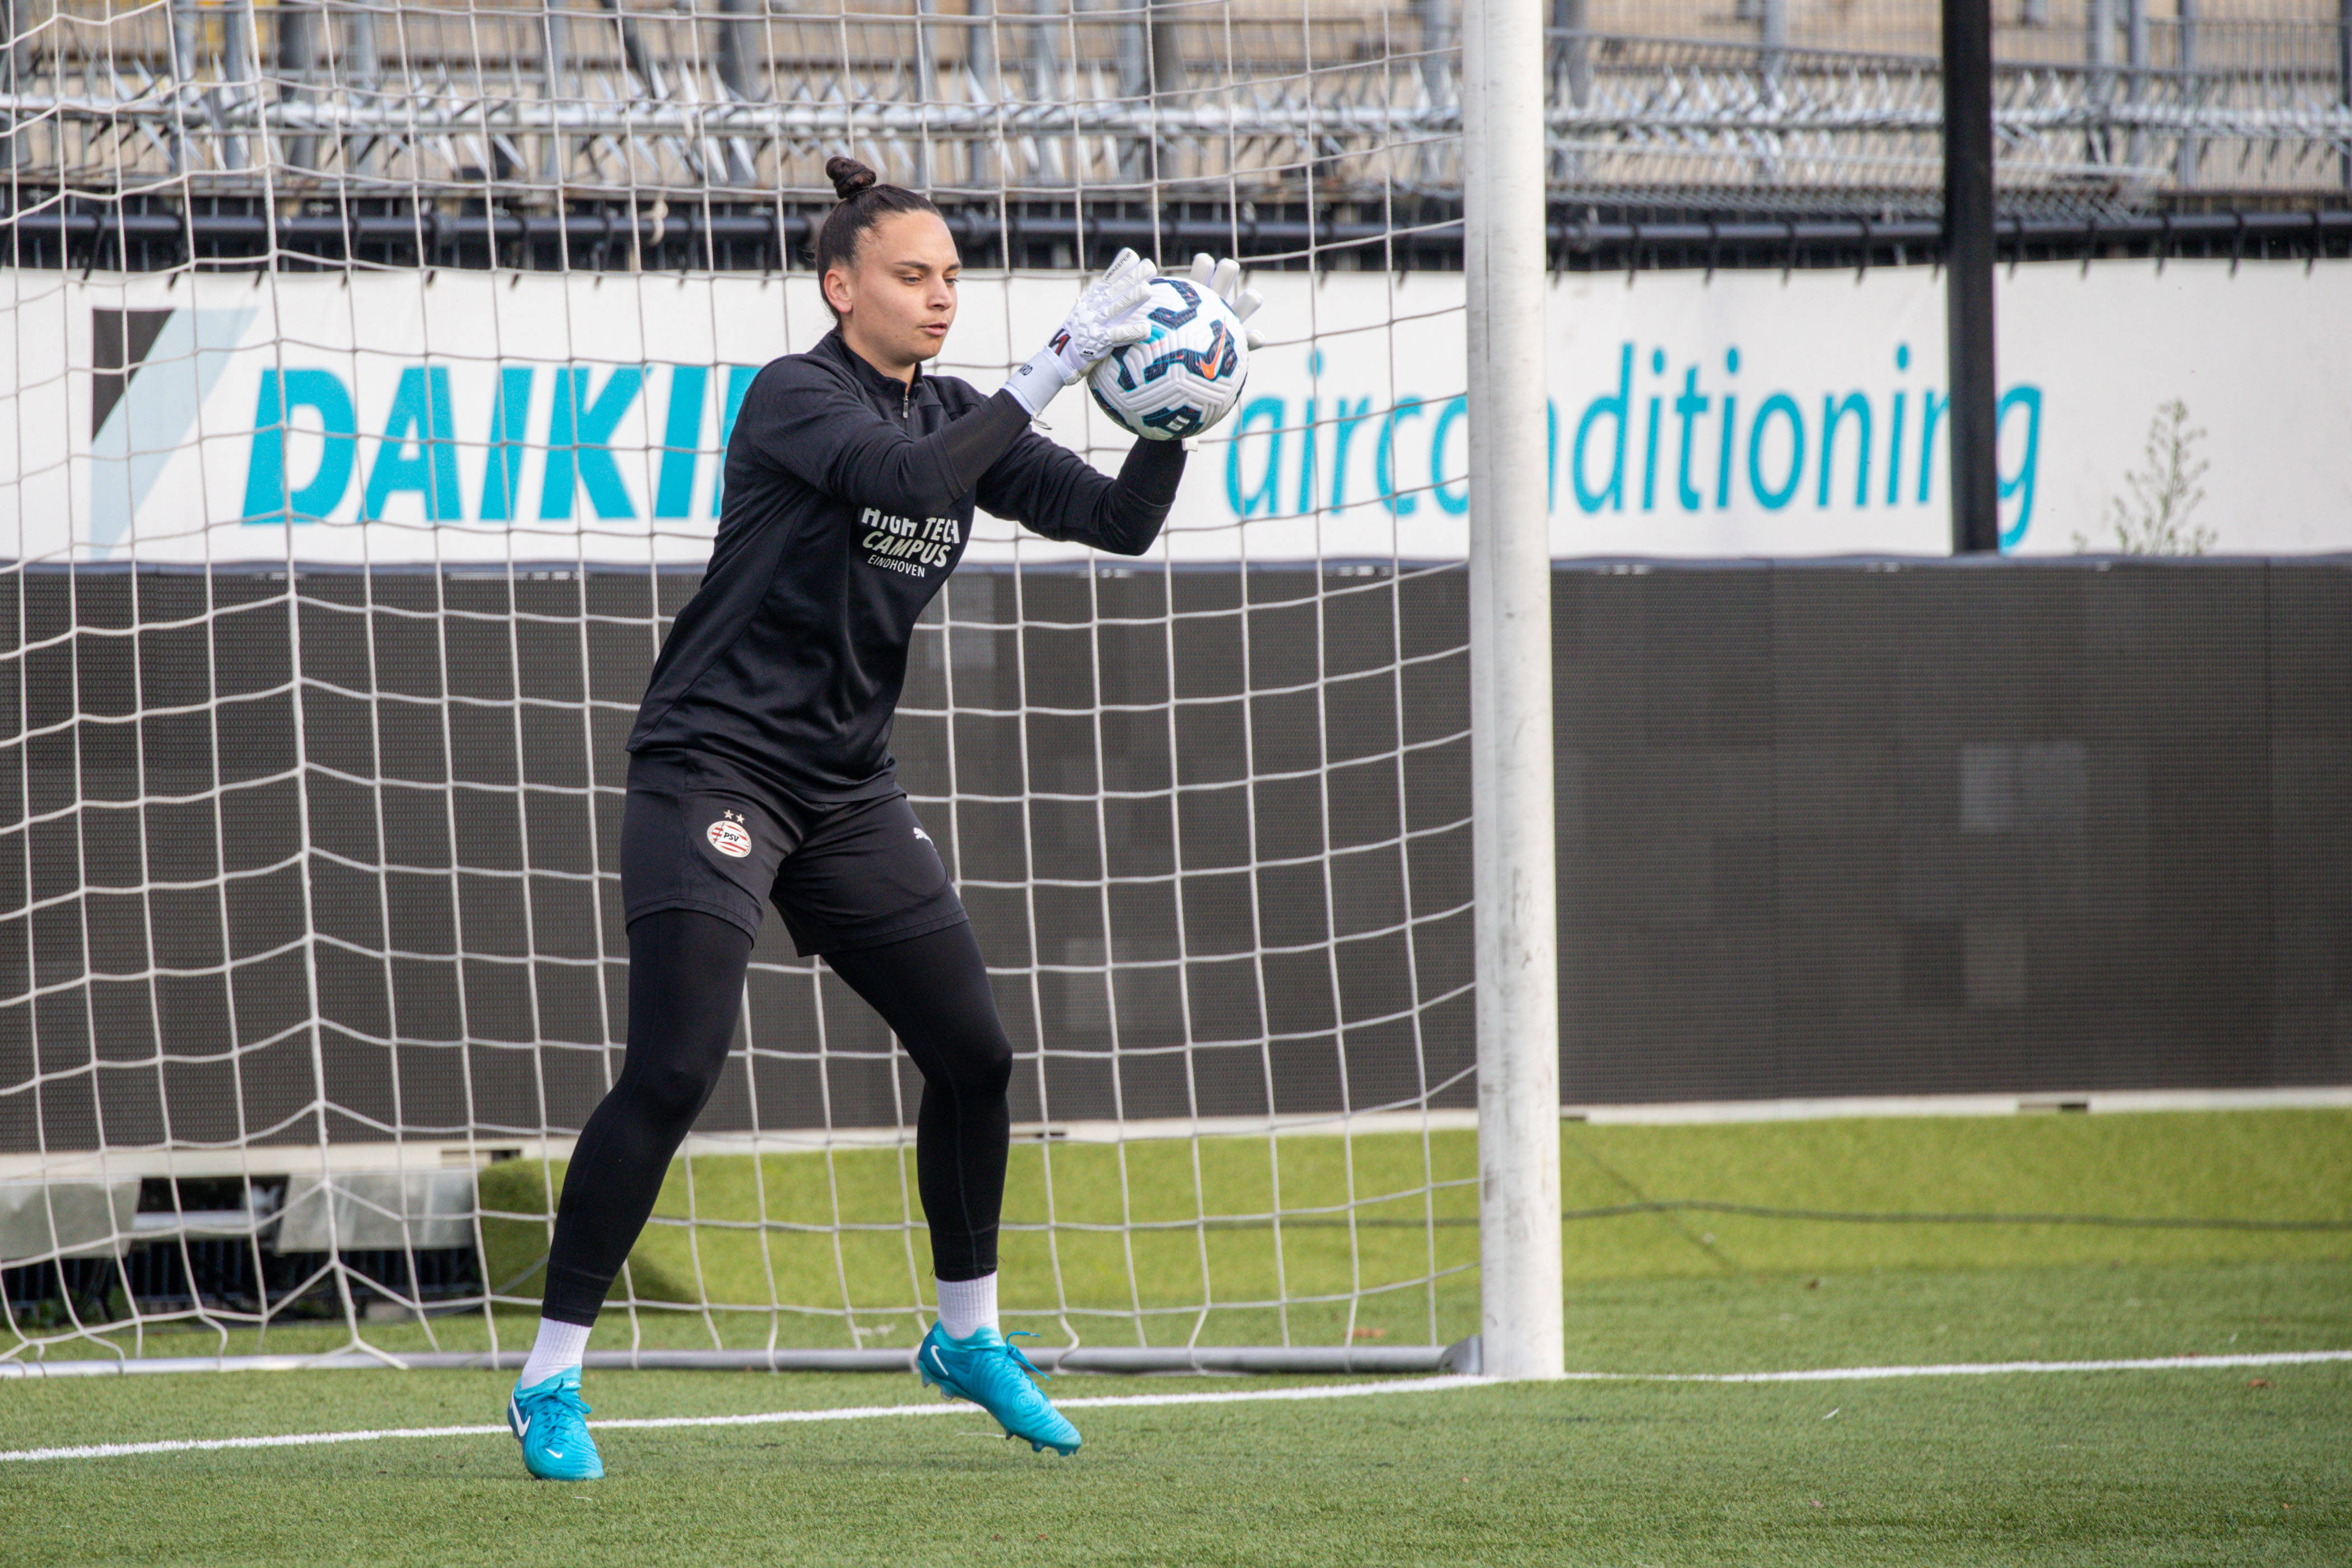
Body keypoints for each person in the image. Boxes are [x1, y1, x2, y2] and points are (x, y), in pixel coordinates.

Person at [503, 154, 1263, 1482]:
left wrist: (1174, 408)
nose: (939, 298)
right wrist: (1055, 363)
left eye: (954, 278)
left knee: (975, 1052)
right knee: (676, 1069)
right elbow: (909, 485)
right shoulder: (795, 396)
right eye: (913, 276)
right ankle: (550, 1375)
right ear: (839, 283)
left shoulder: (964, 409)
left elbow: (1115, 526)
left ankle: (965, 1334)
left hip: (846, 789)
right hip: (715, 767)